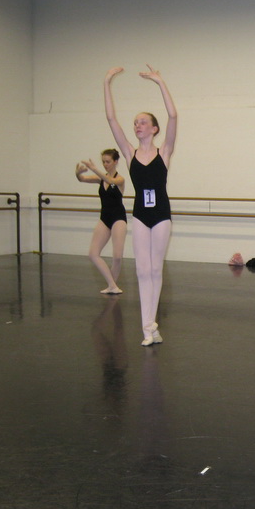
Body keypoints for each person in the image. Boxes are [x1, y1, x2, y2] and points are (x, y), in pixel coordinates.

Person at [104, 65, 177, 346]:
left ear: (154, 129)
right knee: (141, 271)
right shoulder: (129, 153)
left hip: (161, 215)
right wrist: (107, 82)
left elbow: (173, 116)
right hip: (140, 215)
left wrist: (160, 82)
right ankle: (148, 329)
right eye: (135, 122)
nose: (138, 125)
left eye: (143, 122)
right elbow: (111, 119)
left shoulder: (164, 151)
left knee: (155, 270)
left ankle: (151, 326)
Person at [75, 149, 127, 294]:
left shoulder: (120, 179)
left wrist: (94, 168)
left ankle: (112, 285)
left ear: (115, 162)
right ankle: (112, 285)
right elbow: (82, 179)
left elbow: (110, 181)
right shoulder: (100, 178)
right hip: (104, 218)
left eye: (108, 162)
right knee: (93, 253)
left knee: (117, 256)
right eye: (103, 162)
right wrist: (78, 173)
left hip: (118, 218)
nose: (105, 164)